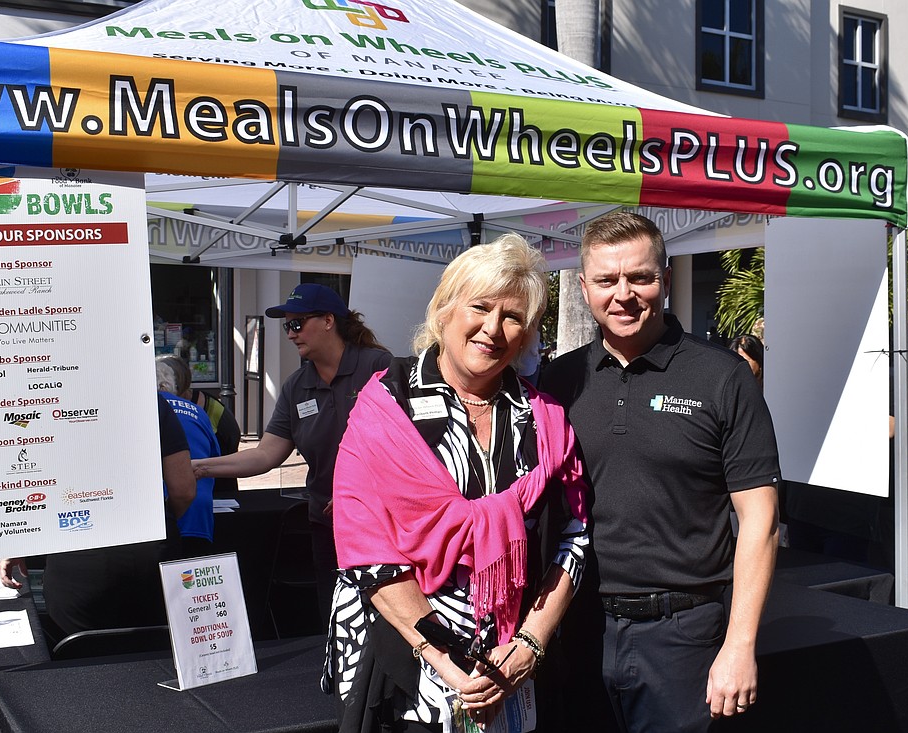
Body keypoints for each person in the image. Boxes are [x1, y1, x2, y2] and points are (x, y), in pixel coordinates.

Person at [328, 234, 589, 731]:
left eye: (512, 317)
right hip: (414, 672)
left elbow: (573, 535)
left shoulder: (546, 418)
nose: (493, 328)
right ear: (445, 309)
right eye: (480, 307)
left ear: (528, 332)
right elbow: (367, 546)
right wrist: (448, 664)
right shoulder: (387, 406)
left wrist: (529, 646)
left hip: (516, 667)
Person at [543, 211, 780, 732]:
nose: (623, 294)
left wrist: (740, 646)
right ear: (584, 287)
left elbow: (760, 519)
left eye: (640, 277)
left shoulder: (723, 377)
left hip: (685, 636)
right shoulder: (558, 382)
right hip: (578, 628)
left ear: (666, 280)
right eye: (607, 280)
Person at [193, 283, 391, 627]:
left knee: (386, 619)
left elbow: (407, 447)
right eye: (287, 326)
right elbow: (266, 455)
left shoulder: (379, 366)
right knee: (335, 620)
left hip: (383, 523)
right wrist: (197, 467)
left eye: (297, 324)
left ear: (328, 320)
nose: (290, 334)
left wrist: (360, 495)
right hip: (327, 525)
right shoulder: (296, 386)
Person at [0, 395, 196, 643]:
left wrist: (21, 538)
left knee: (84, 666)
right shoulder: (149, 399)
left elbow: (27, 478)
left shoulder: (41, 401)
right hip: (152, 555)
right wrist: (158, 523)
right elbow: (183, 489)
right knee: (159, 660)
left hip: (77, 558)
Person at [157, 354, 221, 557]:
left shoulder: (145, 411)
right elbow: (214, 457)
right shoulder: (197, 411)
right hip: (199, 515)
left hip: (165, 515)